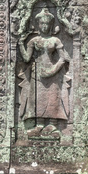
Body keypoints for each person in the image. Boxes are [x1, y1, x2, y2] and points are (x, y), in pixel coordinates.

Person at [18, 8, 71, 139]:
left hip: (53, 73)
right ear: (38, 25)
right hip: (38, 73)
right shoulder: (34, 41)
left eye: (47, 24)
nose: (44, 26)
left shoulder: (55, 40)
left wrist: (53, 70)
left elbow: (63, 58)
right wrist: (20, 43)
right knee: (38, 99)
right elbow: (26, 58)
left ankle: (53, 125)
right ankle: (39, 125)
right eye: (42, 23)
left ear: (51, 25)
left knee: (52, 98)